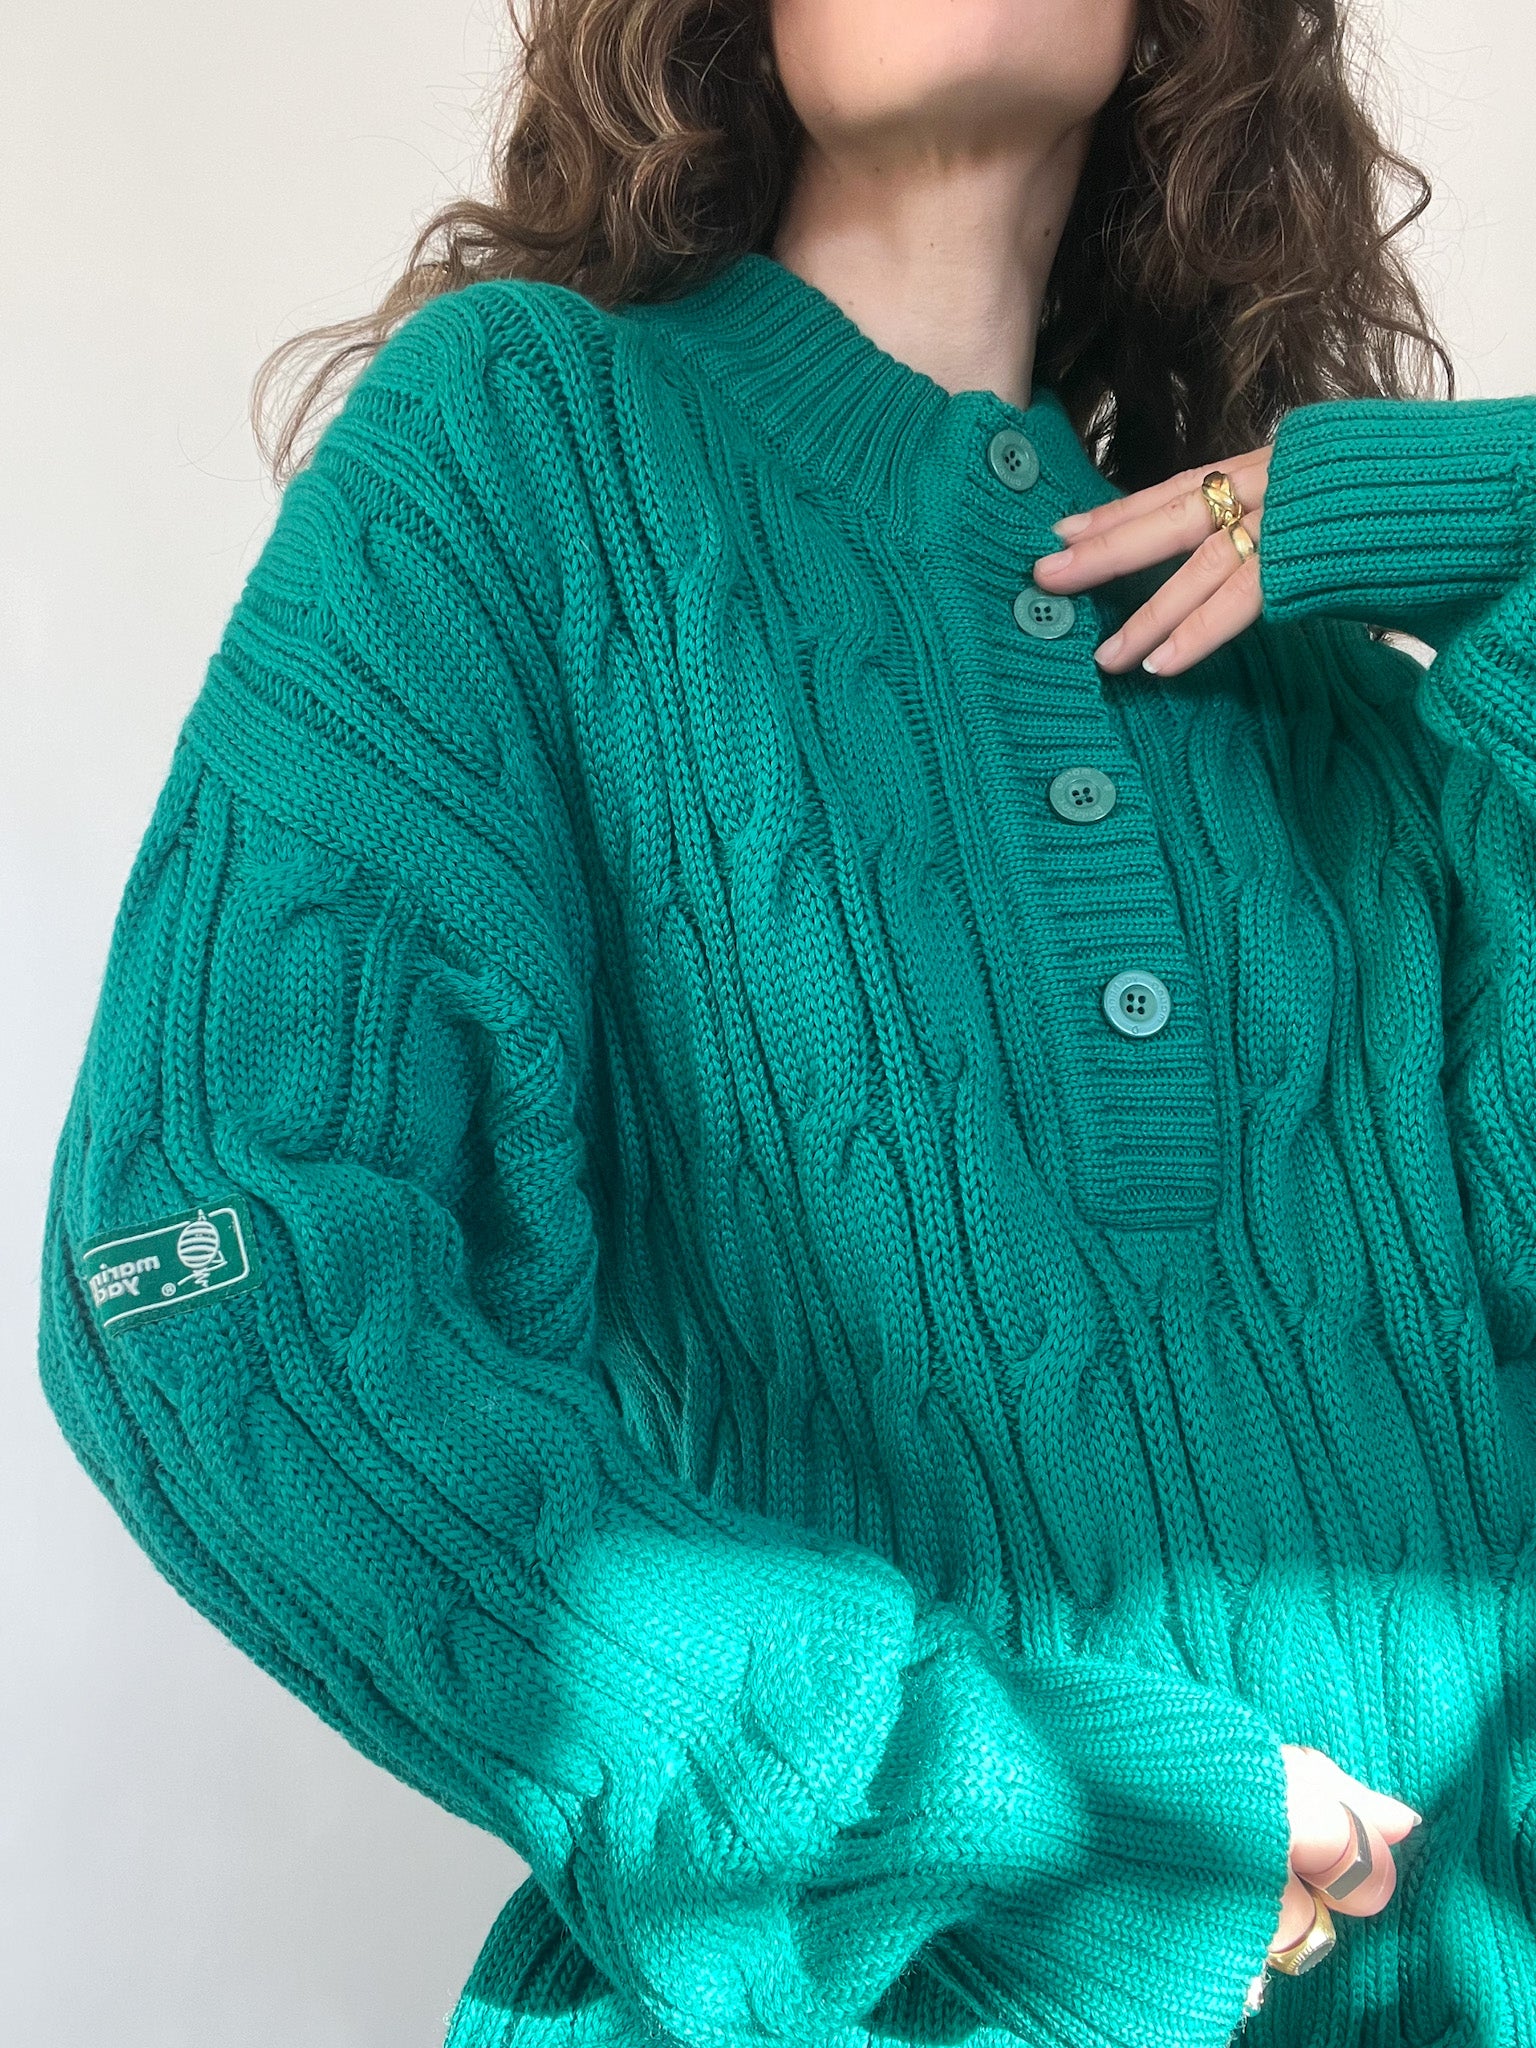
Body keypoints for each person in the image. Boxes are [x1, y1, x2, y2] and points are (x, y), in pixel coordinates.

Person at [36, 1, 1536, 2043]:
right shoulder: (526, 457)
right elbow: (211, 1275)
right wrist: (957, 1808)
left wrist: (1482, 505)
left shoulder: (1334, 699)